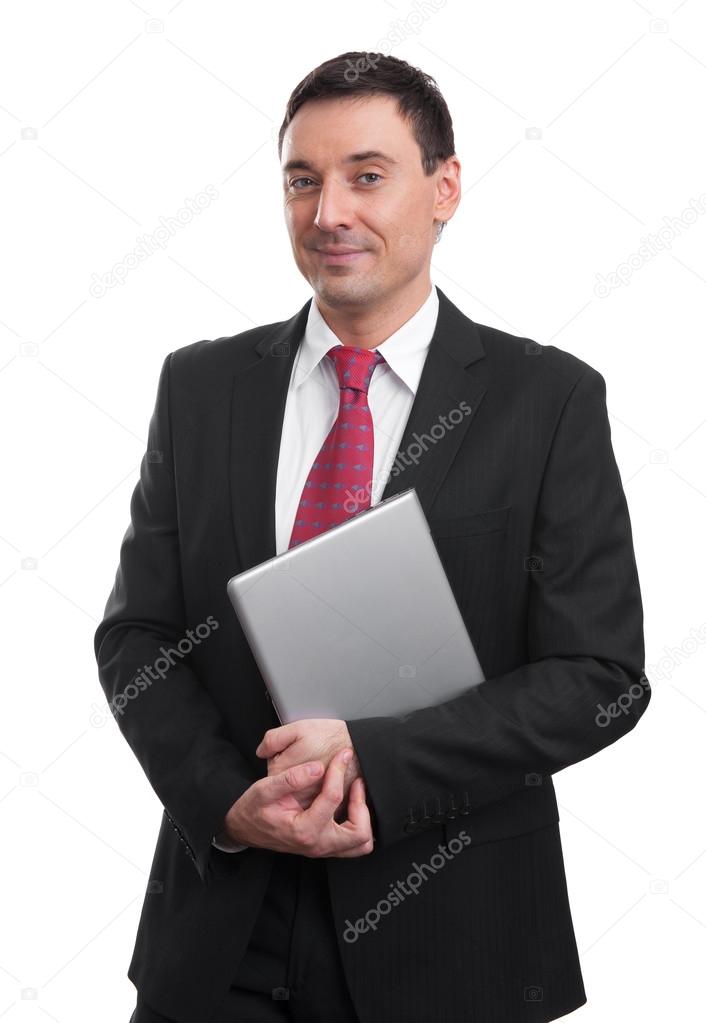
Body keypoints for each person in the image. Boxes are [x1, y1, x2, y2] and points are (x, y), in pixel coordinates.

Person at [94, 50, 651, 1023]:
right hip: (223, 934)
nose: (328, 214)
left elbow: (598, 678)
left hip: (456, 937)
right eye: (301, 181)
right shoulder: (201, 389)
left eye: (365, 175)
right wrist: (227, 801)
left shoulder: (546, 401)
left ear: (444, 190)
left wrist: (375, 764)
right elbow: (137, 636)